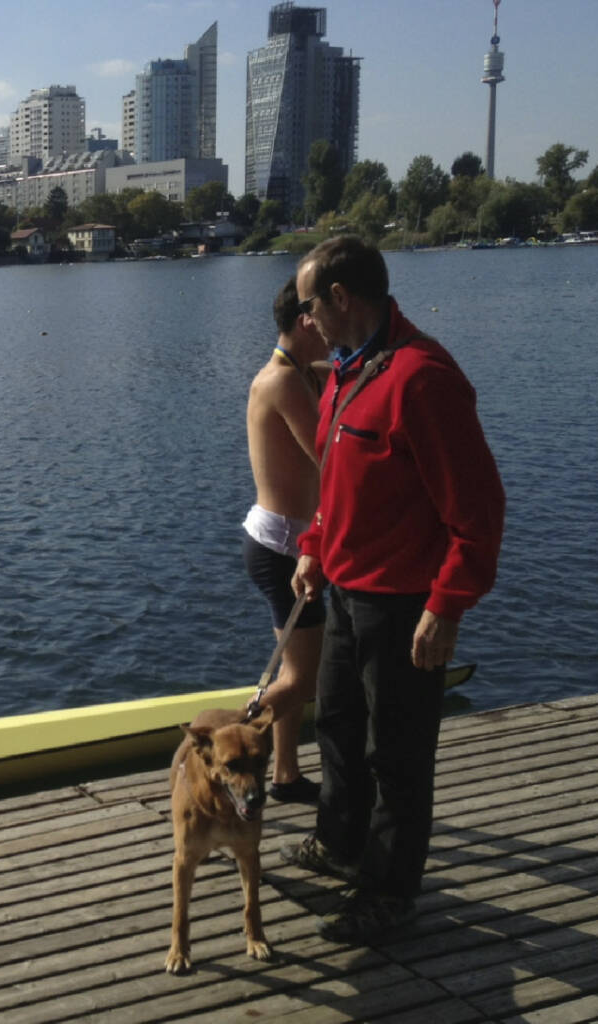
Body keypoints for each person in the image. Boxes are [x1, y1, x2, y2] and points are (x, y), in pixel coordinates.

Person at [282, 237, 505, 944]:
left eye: (310, 304)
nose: (305, 318)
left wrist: (446, 606)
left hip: (405, 604)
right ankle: (341, 843)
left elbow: (478, 511)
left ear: (342, 298)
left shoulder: (422, 378)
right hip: (345, 592)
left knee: (399, 755)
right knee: (338, 728)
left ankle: (389, 891)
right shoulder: (348, 371)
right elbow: (337, 485)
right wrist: (315, 549)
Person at [242, 277, 331, 803]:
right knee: (304, 679)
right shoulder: (283, 382)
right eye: (322, 321)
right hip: (282, 549)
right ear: (304, 322)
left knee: (295, 668)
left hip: (280, 542)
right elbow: (330, 456)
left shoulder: (300, 373)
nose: (330, 333)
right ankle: (218, 740)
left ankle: (285, 775)